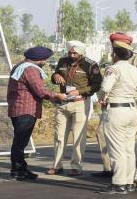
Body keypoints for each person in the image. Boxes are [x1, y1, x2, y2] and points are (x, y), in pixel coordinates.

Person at [91, 32, 137, 178]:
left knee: (121, 144)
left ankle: (119, 178)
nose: (113, 48)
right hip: (115, 105)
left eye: (114, 44)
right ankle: (111, 170)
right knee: (105, 136)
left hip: (123, 105)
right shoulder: (119, 58)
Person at [7, 46, 66, 181]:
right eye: (44, 59)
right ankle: (16, 171)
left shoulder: (19, 66)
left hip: (17, 108)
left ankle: (21, 168)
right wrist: (57, 95)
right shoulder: (31, 69)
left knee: (19, 141)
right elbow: (40, 91)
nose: (45, 62)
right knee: (20, 142)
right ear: (39, 59)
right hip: (27, 109)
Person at [98, 41, 137, 194]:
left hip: (116, 110)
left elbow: (105, 88)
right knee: (128, 149)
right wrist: (131, 96)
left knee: (117, 150)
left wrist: (102, 97)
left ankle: (119, 184)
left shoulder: (113, 69)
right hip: (132, 110)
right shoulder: (135, 70)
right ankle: (128, 182)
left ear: (115, 54)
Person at [47, 40, 102, 176]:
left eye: (74, 52)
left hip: (80, 103)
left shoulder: (90, 64)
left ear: (81, 52)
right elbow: (54, 77)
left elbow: (96, 85)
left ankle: (76, 165)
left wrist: (80, 91)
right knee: (59, 136)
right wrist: (56, 76)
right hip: (63, 102)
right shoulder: (62, 61)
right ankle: (57, 165)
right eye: (70, 52)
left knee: (78, 136)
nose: (71, 54)